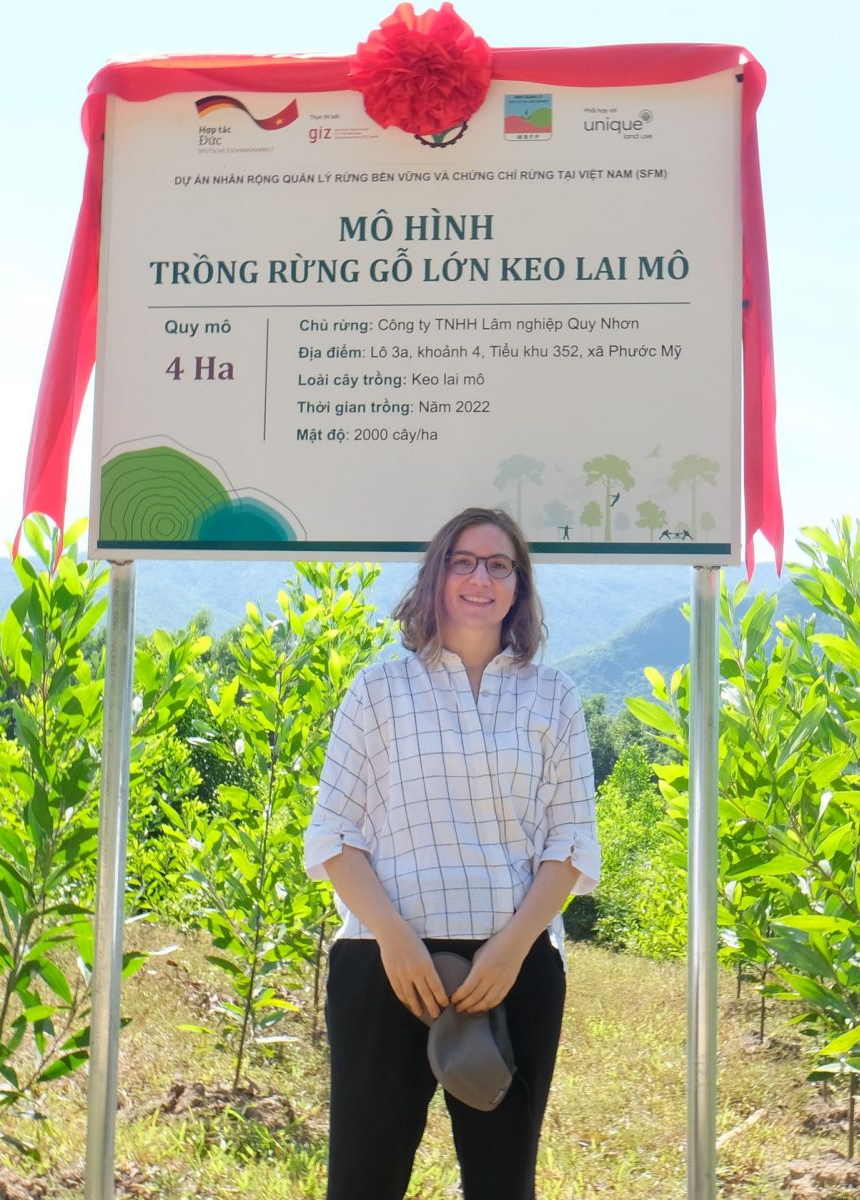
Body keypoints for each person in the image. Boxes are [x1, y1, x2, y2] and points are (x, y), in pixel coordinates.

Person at [305, 506, 600, 1200]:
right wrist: (396, 940)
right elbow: (334, 835)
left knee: (503, 1185)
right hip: (387, 967)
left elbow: (570, 843)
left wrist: (509, 952)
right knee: (362, 1182)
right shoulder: (379, 690)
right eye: (463, 561)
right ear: (437, 577)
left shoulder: (553, 697)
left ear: (519, 588)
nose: (480, 577)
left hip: (512, 971)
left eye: (500, 565)